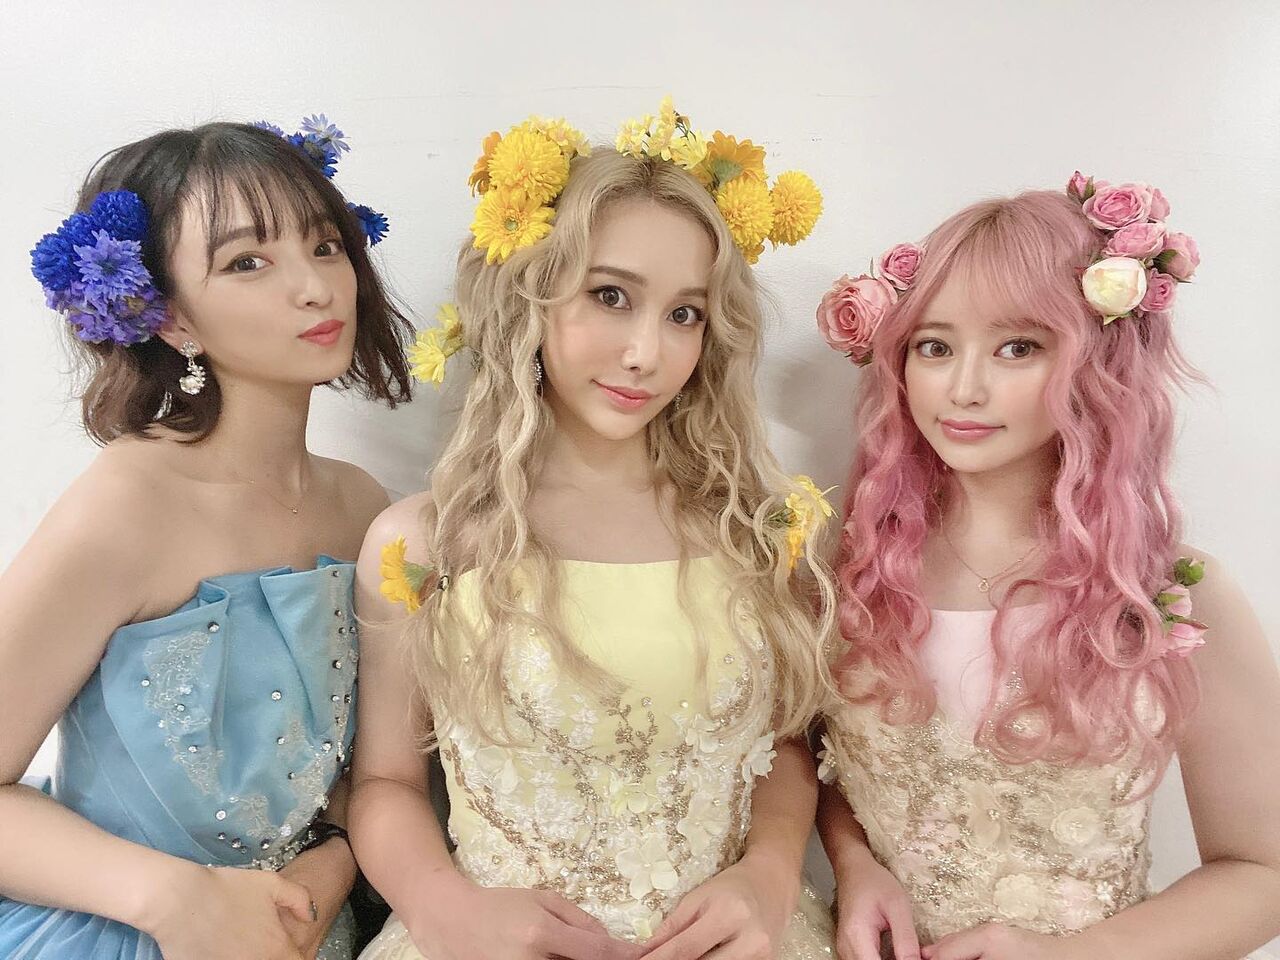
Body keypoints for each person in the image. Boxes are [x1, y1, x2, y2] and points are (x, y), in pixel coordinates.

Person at [349, 101, 839, 960]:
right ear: (530, 295)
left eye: (684, 313)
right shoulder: (427, 544)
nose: (647, 353)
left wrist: (768, 872)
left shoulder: (752, 528)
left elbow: (786, 744)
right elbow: (386, 781)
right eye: (610, 296)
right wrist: (441, 907)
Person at [814, 178, 1280, 960]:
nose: (965, 388)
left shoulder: (1169, 596)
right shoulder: (855, 576)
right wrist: (854, 864)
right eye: (935, 346)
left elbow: (1263, 872)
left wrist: (1067, 956)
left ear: (1095, 358)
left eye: (1018, 347)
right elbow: (826, 765)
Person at [0, 115, 411, 960]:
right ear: (169, 318)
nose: (315, 287)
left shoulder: (363, 507)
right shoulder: (126, 506)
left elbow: (373, 766)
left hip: (306, 928)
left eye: (325, 245)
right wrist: (175, 898)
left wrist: (333, 865)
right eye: (247, 262)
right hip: (127, 933)